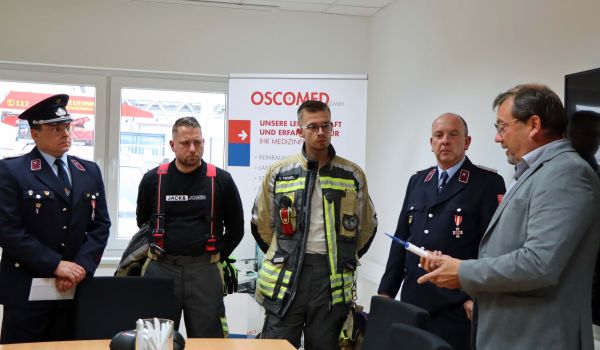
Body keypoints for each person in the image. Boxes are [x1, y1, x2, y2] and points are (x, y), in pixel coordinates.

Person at [418, 84, 600, 350]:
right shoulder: (535, 171)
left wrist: (463, 271)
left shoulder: (567, 173)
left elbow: (539, 263)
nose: (498, 138)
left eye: (502, 127)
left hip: (538, 338)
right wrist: (455, 265)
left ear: (534, 124)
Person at [251, 100, 377, 349]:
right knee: (276, 344)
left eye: (326, 125)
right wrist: (285, 253)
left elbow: (366, 227)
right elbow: (261, 223)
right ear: (300, 130)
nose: (320, 132)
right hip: (286, 275)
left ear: (332, 127)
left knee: (324, 344)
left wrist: (342, 257)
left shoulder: (352, 174)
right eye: (312, 127)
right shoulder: (280, 172)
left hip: (330, 280)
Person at [378, 113, 505, 350]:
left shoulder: (487, 183)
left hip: (456, 304)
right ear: (431, 143)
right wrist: (386, 291)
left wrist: (476, 297)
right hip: (414, 300)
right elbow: (401, 239)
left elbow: (494, 246)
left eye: (453, 134)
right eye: (439, 135)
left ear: (467, 142)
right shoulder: (418, 181)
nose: (445, 141)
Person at [0, 94, 111, 343]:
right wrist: (56, 265)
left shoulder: (88, 171)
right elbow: (8, 231)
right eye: (55, 128)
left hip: (73, 288)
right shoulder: (12, 171)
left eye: (67, 127)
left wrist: (80, 267)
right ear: (35, 134)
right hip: (26, 290)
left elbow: (100, 225)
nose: (65, 134)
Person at [136, 116, 244, 338]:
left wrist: (214, 257)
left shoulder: (221, 180)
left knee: (210, 341)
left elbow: (237, 229)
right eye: (185, 143)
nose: (193, 149)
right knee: (156, 340)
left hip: (205, 271)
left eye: (198, 142)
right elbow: (142, 221)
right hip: (161, 269)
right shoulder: (152, 179)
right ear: (172, 145)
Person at [568, 110, 600, 349]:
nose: (593, 140)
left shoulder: (591, 169)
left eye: (597, 135)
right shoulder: (571, 171)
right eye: (587, 133)